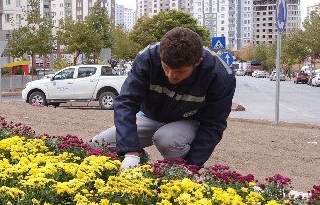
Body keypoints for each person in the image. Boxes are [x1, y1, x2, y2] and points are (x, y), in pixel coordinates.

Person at [90, 26, 236, 170]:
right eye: (166, 67)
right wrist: (131, 152)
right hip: (150, 116)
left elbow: (213, 125)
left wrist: (192, 165)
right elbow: (126, 103)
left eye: (180, 71)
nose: (171, 75)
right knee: (97, 145)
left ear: (197, 62)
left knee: (166, 139)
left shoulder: (220, 76)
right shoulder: (147, 58)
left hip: (188, 122)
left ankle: (180, 171)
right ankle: (140, 156)